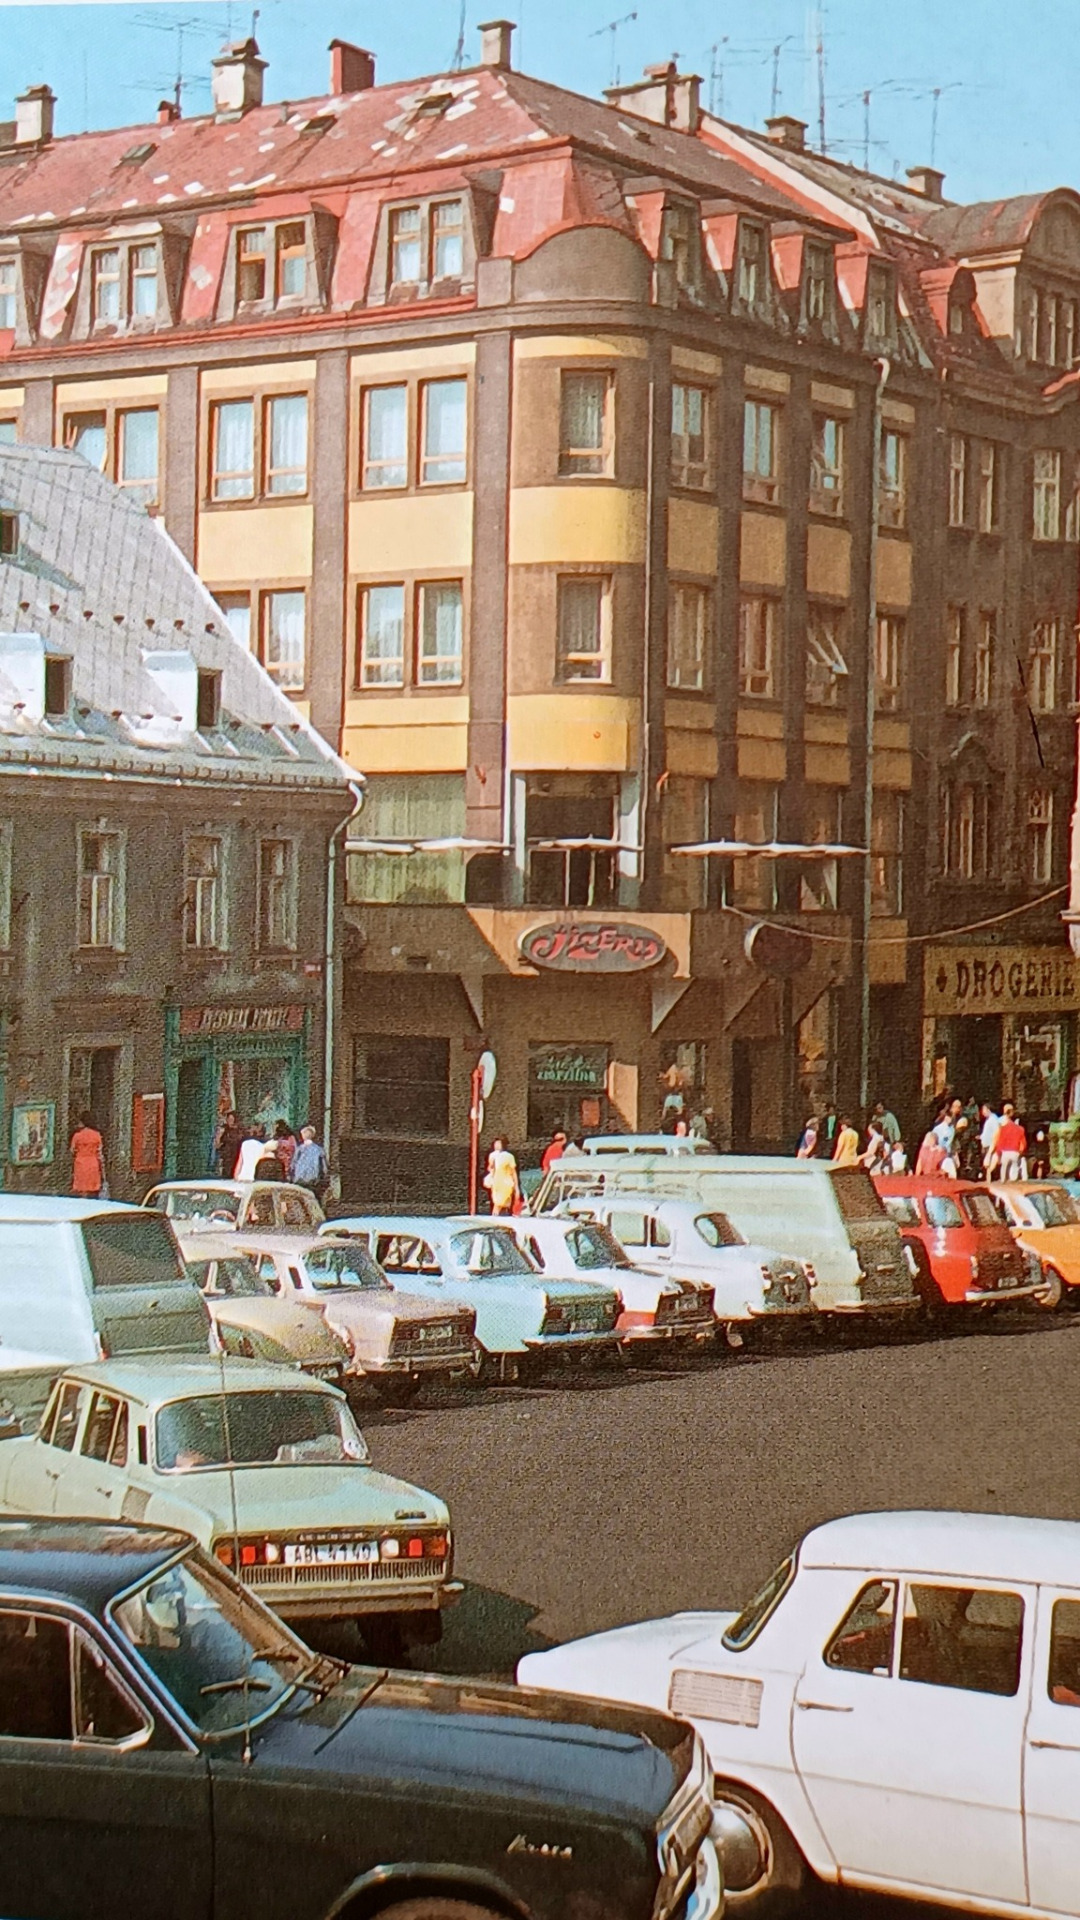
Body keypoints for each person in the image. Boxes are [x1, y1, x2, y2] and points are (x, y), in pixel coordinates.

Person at [70, 1110, 105, 1199]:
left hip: (80, 1162)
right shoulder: (97, 1135)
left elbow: (72, 1150)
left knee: (82, 1187)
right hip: (93, 1162)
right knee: (93, 1187)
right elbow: (100, 1152)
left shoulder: (77, 1136)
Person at [292, 1124, 330, 1201]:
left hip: (300, 1180)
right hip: (313, 1180)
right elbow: (324, 1167)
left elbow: (293, 1164)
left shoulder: (300, 1149)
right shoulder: (319, 1150)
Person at [484, 1137, 520, 1215]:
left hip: (506, 1183)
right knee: (497, 1203)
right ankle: (495, 1217)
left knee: (504, 1203)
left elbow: (513, 1172)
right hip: (496, 1183)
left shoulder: (509, 1156)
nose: (496, 1146)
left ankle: (499, 1216)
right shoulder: (492, 1155)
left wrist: (516, 1187)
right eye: (495, 1144)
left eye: (499, 1144)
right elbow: (490, 1168)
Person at [995, 1104, 1027, 1181]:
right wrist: (1020, 1152)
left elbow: (1000, 1140)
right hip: (1015, 1151)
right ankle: (1013, 1180)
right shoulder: (1020, 1129)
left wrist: (998, 1152)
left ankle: (1003, 1180)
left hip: (1005, 1151)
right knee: (1014, 1166)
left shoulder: (1002, 1127)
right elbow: (1023, 1144)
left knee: (1004, 1167)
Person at [213, 1109, 243, 1180]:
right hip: (227, 1158)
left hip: (237, 1157)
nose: (230, 1122)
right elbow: (217, 1145)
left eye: (232, 1119)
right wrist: (219, 1136)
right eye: (229, 1119)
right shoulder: (224, 1130)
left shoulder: (239, 1131)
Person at [980, 1103, 1002, 1180]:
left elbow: (996, 1132)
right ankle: (988, 1180)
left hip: (990, 1145)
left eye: (983, 1110)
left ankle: (992, 1181)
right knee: (987, 1165)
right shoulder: (988, 1120)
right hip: (986, 1145)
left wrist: (992, 1146)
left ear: (988, 1110)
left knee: (990, 1164)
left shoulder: (993, 1119)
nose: (982, 1112)